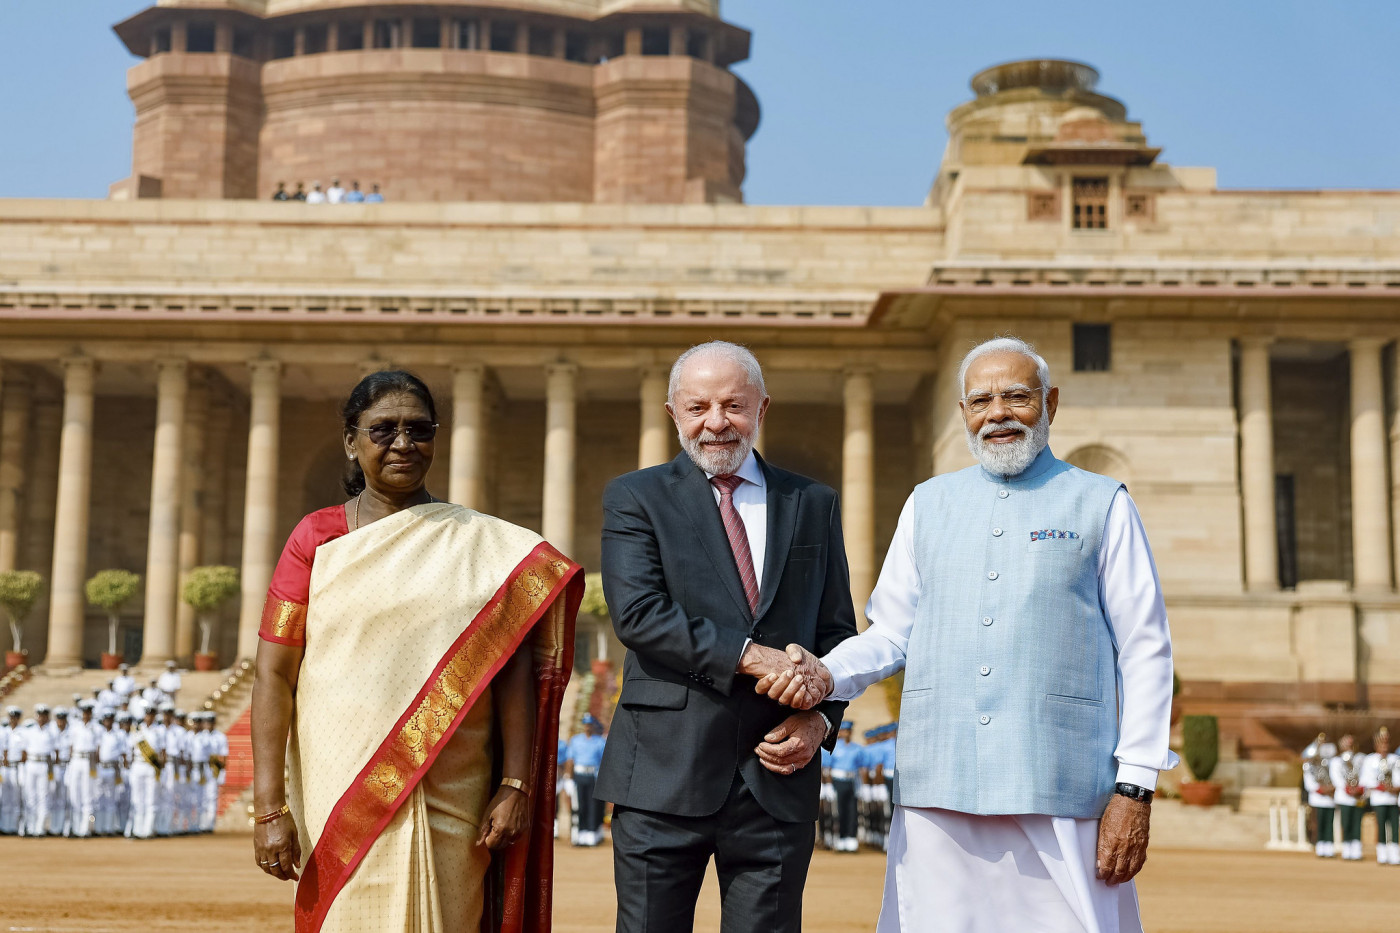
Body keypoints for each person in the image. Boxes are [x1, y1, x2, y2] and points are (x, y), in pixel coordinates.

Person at [766, 335, 1178, 933]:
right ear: (963, 414)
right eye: (981, 401)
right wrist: (826, 673)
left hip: (1061, 779)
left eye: (1017, 396)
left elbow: (1145, 647)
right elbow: (890, 633)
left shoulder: (1101, 502)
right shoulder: (927, 504)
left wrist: (1135, 786)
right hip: (940, 780)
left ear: (1051, 404)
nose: (998, 414)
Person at [251, 370, 581, 933]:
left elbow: (513, 673)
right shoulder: (317, 540)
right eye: (383, 430)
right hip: (343, 787)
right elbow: (273, 676)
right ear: (352, 442)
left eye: (418, 429)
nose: (403, 443)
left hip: (454, 791)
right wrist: (269, 808)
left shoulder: (482, 546)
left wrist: (516, 784)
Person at [597, 341, 858, 933]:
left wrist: (824, 721)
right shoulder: (636, 496)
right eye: (698, 407)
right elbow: (638, 614)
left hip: (777, 776)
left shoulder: (812, 502)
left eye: (732, 405)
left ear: (762, 408)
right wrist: (753, 657)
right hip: (663, 772)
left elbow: (838, 633)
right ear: (673, 414)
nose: (715, 422)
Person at [564, 714, 607, 846]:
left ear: (593, 726)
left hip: (593, 776)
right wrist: (569, 779)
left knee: (592, 806)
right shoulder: (576, 740)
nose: (588, 727)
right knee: (580, 806)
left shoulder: (599, 741)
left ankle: (591, 834)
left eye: (590, 724)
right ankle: (580, 834)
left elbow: (603, 762)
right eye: (586, 724)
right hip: (579, 775)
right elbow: (570, 761)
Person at [1362, 726, 1397, 864]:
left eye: (1386, 744)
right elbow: (1366, 779)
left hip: (1392, 799)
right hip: (1379, 799)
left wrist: (1394, 787)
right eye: (1381, 744)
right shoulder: (1370, 760)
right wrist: (1379, 786)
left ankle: (1395, 854)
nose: (1384, 747)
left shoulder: (1394, 759)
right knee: (1381, 826)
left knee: (1394, 827)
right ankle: (1382, 854)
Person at [128, 706, 164, 839]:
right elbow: (130, 749)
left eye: (152, 715)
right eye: (148, 715)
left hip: (151, 767)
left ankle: (148, 830)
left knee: (151, 799)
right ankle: (138, 830)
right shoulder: (137, 730)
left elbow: (162, 752)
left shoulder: (159, 730)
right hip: (138, 764)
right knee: (138, 799)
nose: (149, 717)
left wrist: (161, 768)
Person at [19, 708, 54, 836]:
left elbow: (52, 754)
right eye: (40, 716)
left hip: (43, 764)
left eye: (44, 716)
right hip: (31, 763)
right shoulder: (29, 732)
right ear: (36, 716)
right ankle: (30, 826)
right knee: (30, 796)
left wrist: (51, 773)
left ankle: (40, 828)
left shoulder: (50, 732)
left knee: (43, 796)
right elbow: (23, 752)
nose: (42, 718)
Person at [827, 721, 861, 852]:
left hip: (851, 780)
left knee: (852, 809)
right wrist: (829, 786)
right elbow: (827, 769)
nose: (844, 733)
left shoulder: (856, 748)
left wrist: (861, 786)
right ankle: (841, 838)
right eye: (842, 731)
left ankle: (851, 837)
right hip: (838, 780)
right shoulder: (834, 747)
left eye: (847, 731)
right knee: (839, 810)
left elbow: (860, 767)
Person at [1331, 734, 1365, 861]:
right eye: (1346, 745)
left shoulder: (1361, 758)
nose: (1349, 747)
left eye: (1351, 744)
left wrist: (1359, 788)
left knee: (1357, 823)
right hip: (1344, 797)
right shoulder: (1336, 761)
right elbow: (1336, 777)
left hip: (1358, 797)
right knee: (1346, 823)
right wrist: (1346, 788)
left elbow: (1364, 774)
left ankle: (1356, 849)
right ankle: (1347, 848)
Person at [67, 702, 98, 837]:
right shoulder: (75, 727)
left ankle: (85, 828)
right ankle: (75, 827)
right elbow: (71, 747)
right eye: (84, 712)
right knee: (75, 795)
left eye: (88, 712)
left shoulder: (96, 728)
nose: (86, 715)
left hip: (88, 761)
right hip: (76, 760)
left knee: (87, 794)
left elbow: (98, 750)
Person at [47, 707, 71, 836]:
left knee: (64, 798)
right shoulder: (51, 731)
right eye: (58, 719)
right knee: (52, 797)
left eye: (62, 719)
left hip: (66, 766)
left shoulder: (71, 732)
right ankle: (53, 826)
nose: (60, 722)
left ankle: (62, 827)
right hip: (53, 767)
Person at [0, 706, 20, 834]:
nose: (12, 720)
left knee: (15, 799)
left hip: (16, 768)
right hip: (4, 768)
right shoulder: (3, 732)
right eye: (11, 717)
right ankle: (4, 826)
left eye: (15, 718)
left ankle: (14, 826)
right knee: (4, 799)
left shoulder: (22, 732)